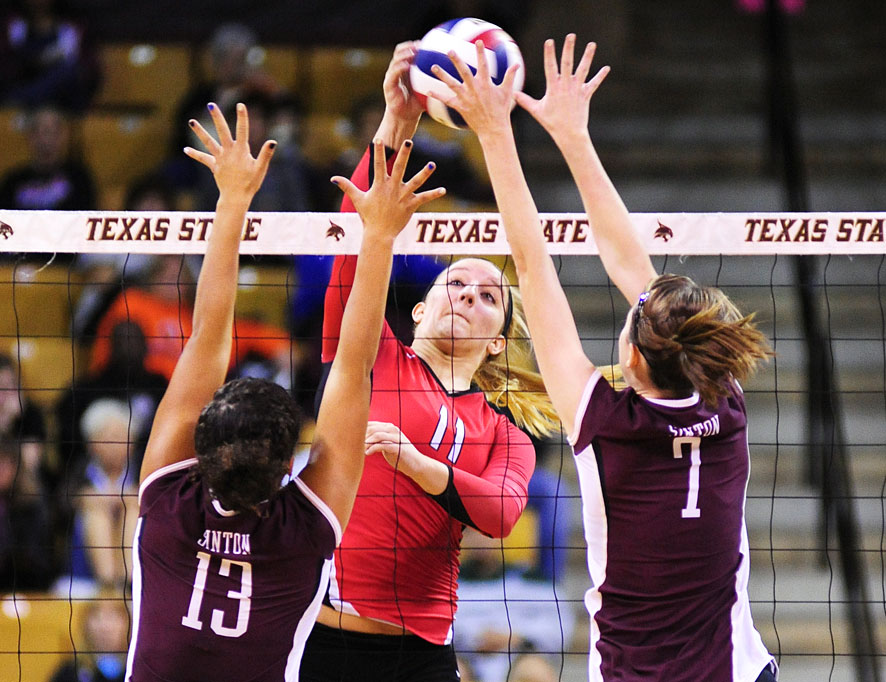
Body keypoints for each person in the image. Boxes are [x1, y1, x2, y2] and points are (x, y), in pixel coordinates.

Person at [436, 35, 778, 682]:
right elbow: (620, 269)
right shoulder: (722, 398)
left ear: (634, 361)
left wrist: (495, 133)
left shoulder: (607, 422)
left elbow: (532, 264)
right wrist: (571, 136)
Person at [124, 102, 443, 681]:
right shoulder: (303, 529)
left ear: (198, 445)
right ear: (287, 466)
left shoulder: (168, 497)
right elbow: (352, 368)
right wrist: (380, 237)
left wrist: (232, 199)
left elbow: (208, 336)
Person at [299, 42, 559, 682]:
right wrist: (398, 120)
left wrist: (413, 460)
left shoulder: (504, 434)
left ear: (497, 340)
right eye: (455, 285)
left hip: (422, 654)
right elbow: (355, 246)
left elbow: (500, 514)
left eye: (488, 297)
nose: (468, 296)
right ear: (418, 310)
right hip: (324, 640)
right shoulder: (373, 357)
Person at [49, 586, 130, 682]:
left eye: (112, 617)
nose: (104, 627)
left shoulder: (138, 671)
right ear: (85, 624)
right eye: (97, 617)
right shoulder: (70, 673)